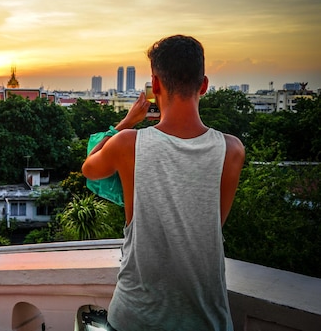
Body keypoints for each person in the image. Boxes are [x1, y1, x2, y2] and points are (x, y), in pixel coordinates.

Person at [82, 35, 245, 331]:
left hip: (135, 316)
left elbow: (89, 168)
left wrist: (125, 123)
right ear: (204, 85)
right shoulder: (232, 150)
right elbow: (210, 225)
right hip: (206, 318)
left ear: (155, 86)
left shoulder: (128, 144)